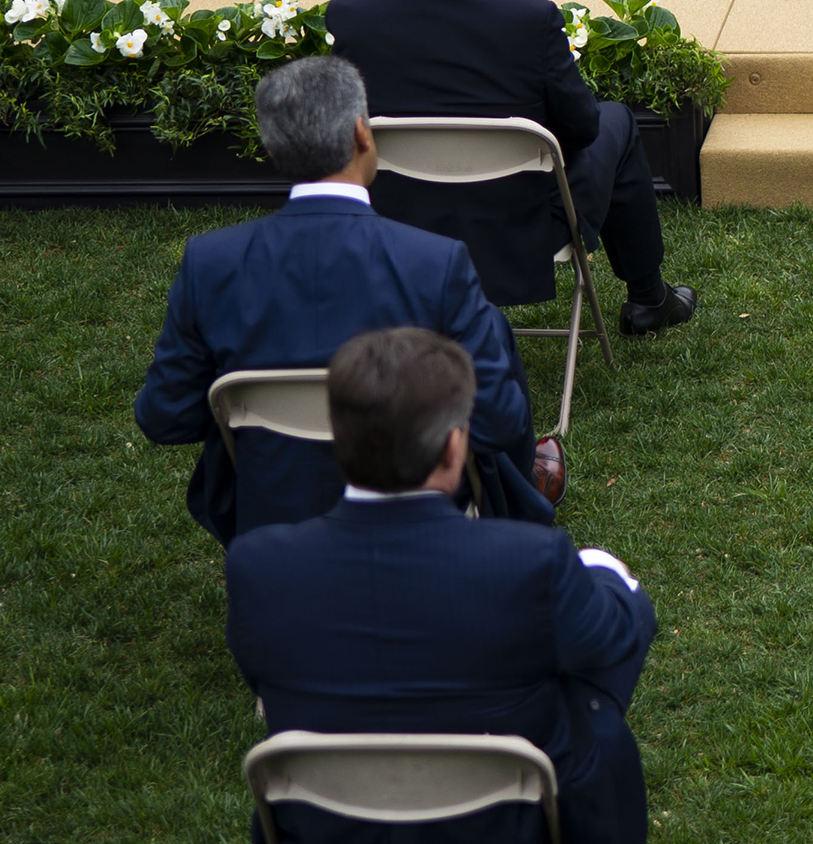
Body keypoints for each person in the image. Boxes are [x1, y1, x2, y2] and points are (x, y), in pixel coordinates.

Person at [225, 327, 656, 844]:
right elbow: (618, 634)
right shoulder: (530, 563)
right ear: (456, 446)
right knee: (607, 630)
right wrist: (604, 573)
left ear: (337, 441)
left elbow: (263, 675)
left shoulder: (257, 566)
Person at [133, 55, 557, 543]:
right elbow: (499, 421)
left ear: (273, 151)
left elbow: (163, 416)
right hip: (415, 505)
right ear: (362, 133)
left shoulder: (210, 261)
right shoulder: (435, 263)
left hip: (270, 512)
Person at [324, 0, 697, 343]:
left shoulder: (353, 16)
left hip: (394, 224)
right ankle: (648, 298)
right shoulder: (529, 20)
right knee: (615, 122)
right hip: (520, 229)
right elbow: (581, 130)